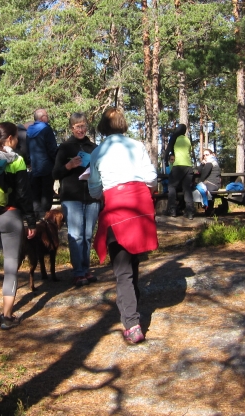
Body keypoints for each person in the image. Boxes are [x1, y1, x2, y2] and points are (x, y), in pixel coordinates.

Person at [88, 107, 159, 345]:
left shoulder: (97, 152)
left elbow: (94, 189)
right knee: (133, 258)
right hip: (138, 206)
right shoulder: (137, 146)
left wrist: (102, 190)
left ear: (103, 127)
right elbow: (151, 178)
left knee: (122, 269)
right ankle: (132, 307)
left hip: (116, 208)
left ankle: (132, 323)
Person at [0, 122, 36, 330]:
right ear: (10, 138)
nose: (18, 141)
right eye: (17, 137)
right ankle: (7, 316)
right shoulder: (16, 160)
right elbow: (24, 193)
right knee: (10, 266)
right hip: (10, 216)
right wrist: (31, 220)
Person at [53, 113, 100, 287]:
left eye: (83, 126)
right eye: (77, 126)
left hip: (91, 196)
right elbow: (55, 173)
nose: (81, 129)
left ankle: (86, 269)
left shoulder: (94, 148)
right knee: (76, 236)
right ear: (71, 128)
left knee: (87, 236)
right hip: (71, 197)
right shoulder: (64, 148)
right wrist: (69, 166)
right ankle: (78, 272)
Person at [26, 108, 58, 215]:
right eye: (47, 116)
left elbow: (27, 148)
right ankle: (45, 216)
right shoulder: (46, 129)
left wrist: (29, 162)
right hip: (47, 167)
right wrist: (57, 162)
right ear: (42, 118)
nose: (48, 118)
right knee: (46, 194)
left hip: (34, 167)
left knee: (36, 194)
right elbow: (52, 148)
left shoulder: (29, 131)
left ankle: (36, 216)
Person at [166, 124, 195, 219]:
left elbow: (168, 150)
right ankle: (190, 212)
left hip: (178, 165)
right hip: (188, 166)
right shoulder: (187, 140)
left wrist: (166, 162)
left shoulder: (174, 137)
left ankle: (172, 210)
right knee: (187, 189)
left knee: (171, 187)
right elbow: (189, 151)